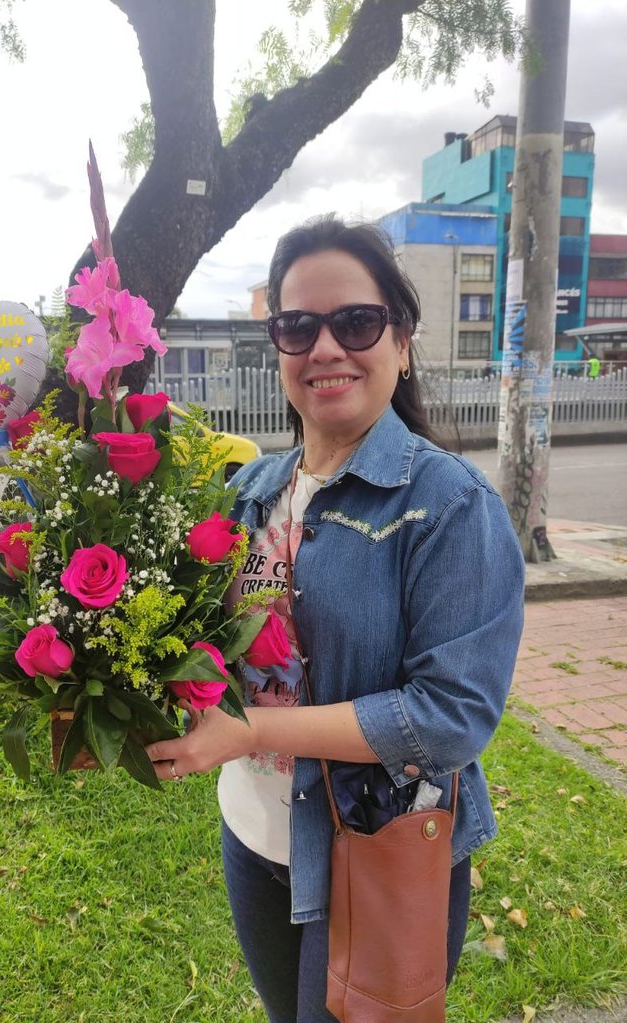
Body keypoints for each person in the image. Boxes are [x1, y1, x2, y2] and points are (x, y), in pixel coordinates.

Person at [146, 215, 525, 1023]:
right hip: (254, 834)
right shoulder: (253, 491)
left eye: (355, 321)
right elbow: (219, 648)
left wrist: (250, 732)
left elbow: (450, 719)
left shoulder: (450, 505)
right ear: (277, 345)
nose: (325, 347)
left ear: (403, 340)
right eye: (297, 325)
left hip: (375, 851)